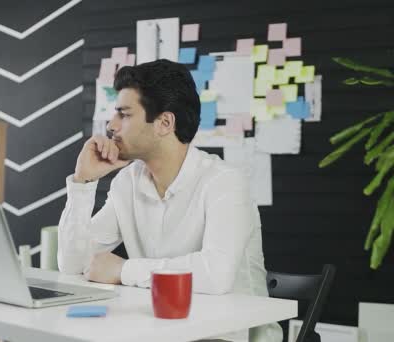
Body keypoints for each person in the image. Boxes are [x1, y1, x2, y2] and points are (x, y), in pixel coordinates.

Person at [56, 59, 282, 341]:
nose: (111, 126)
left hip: (227, 336)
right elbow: (72, 264)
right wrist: (83, 183)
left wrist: (124, 269)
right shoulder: (127, 182)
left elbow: (215, 274)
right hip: (162, 331)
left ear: (164, 123)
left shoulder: (224, 182)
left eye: (124, 115)